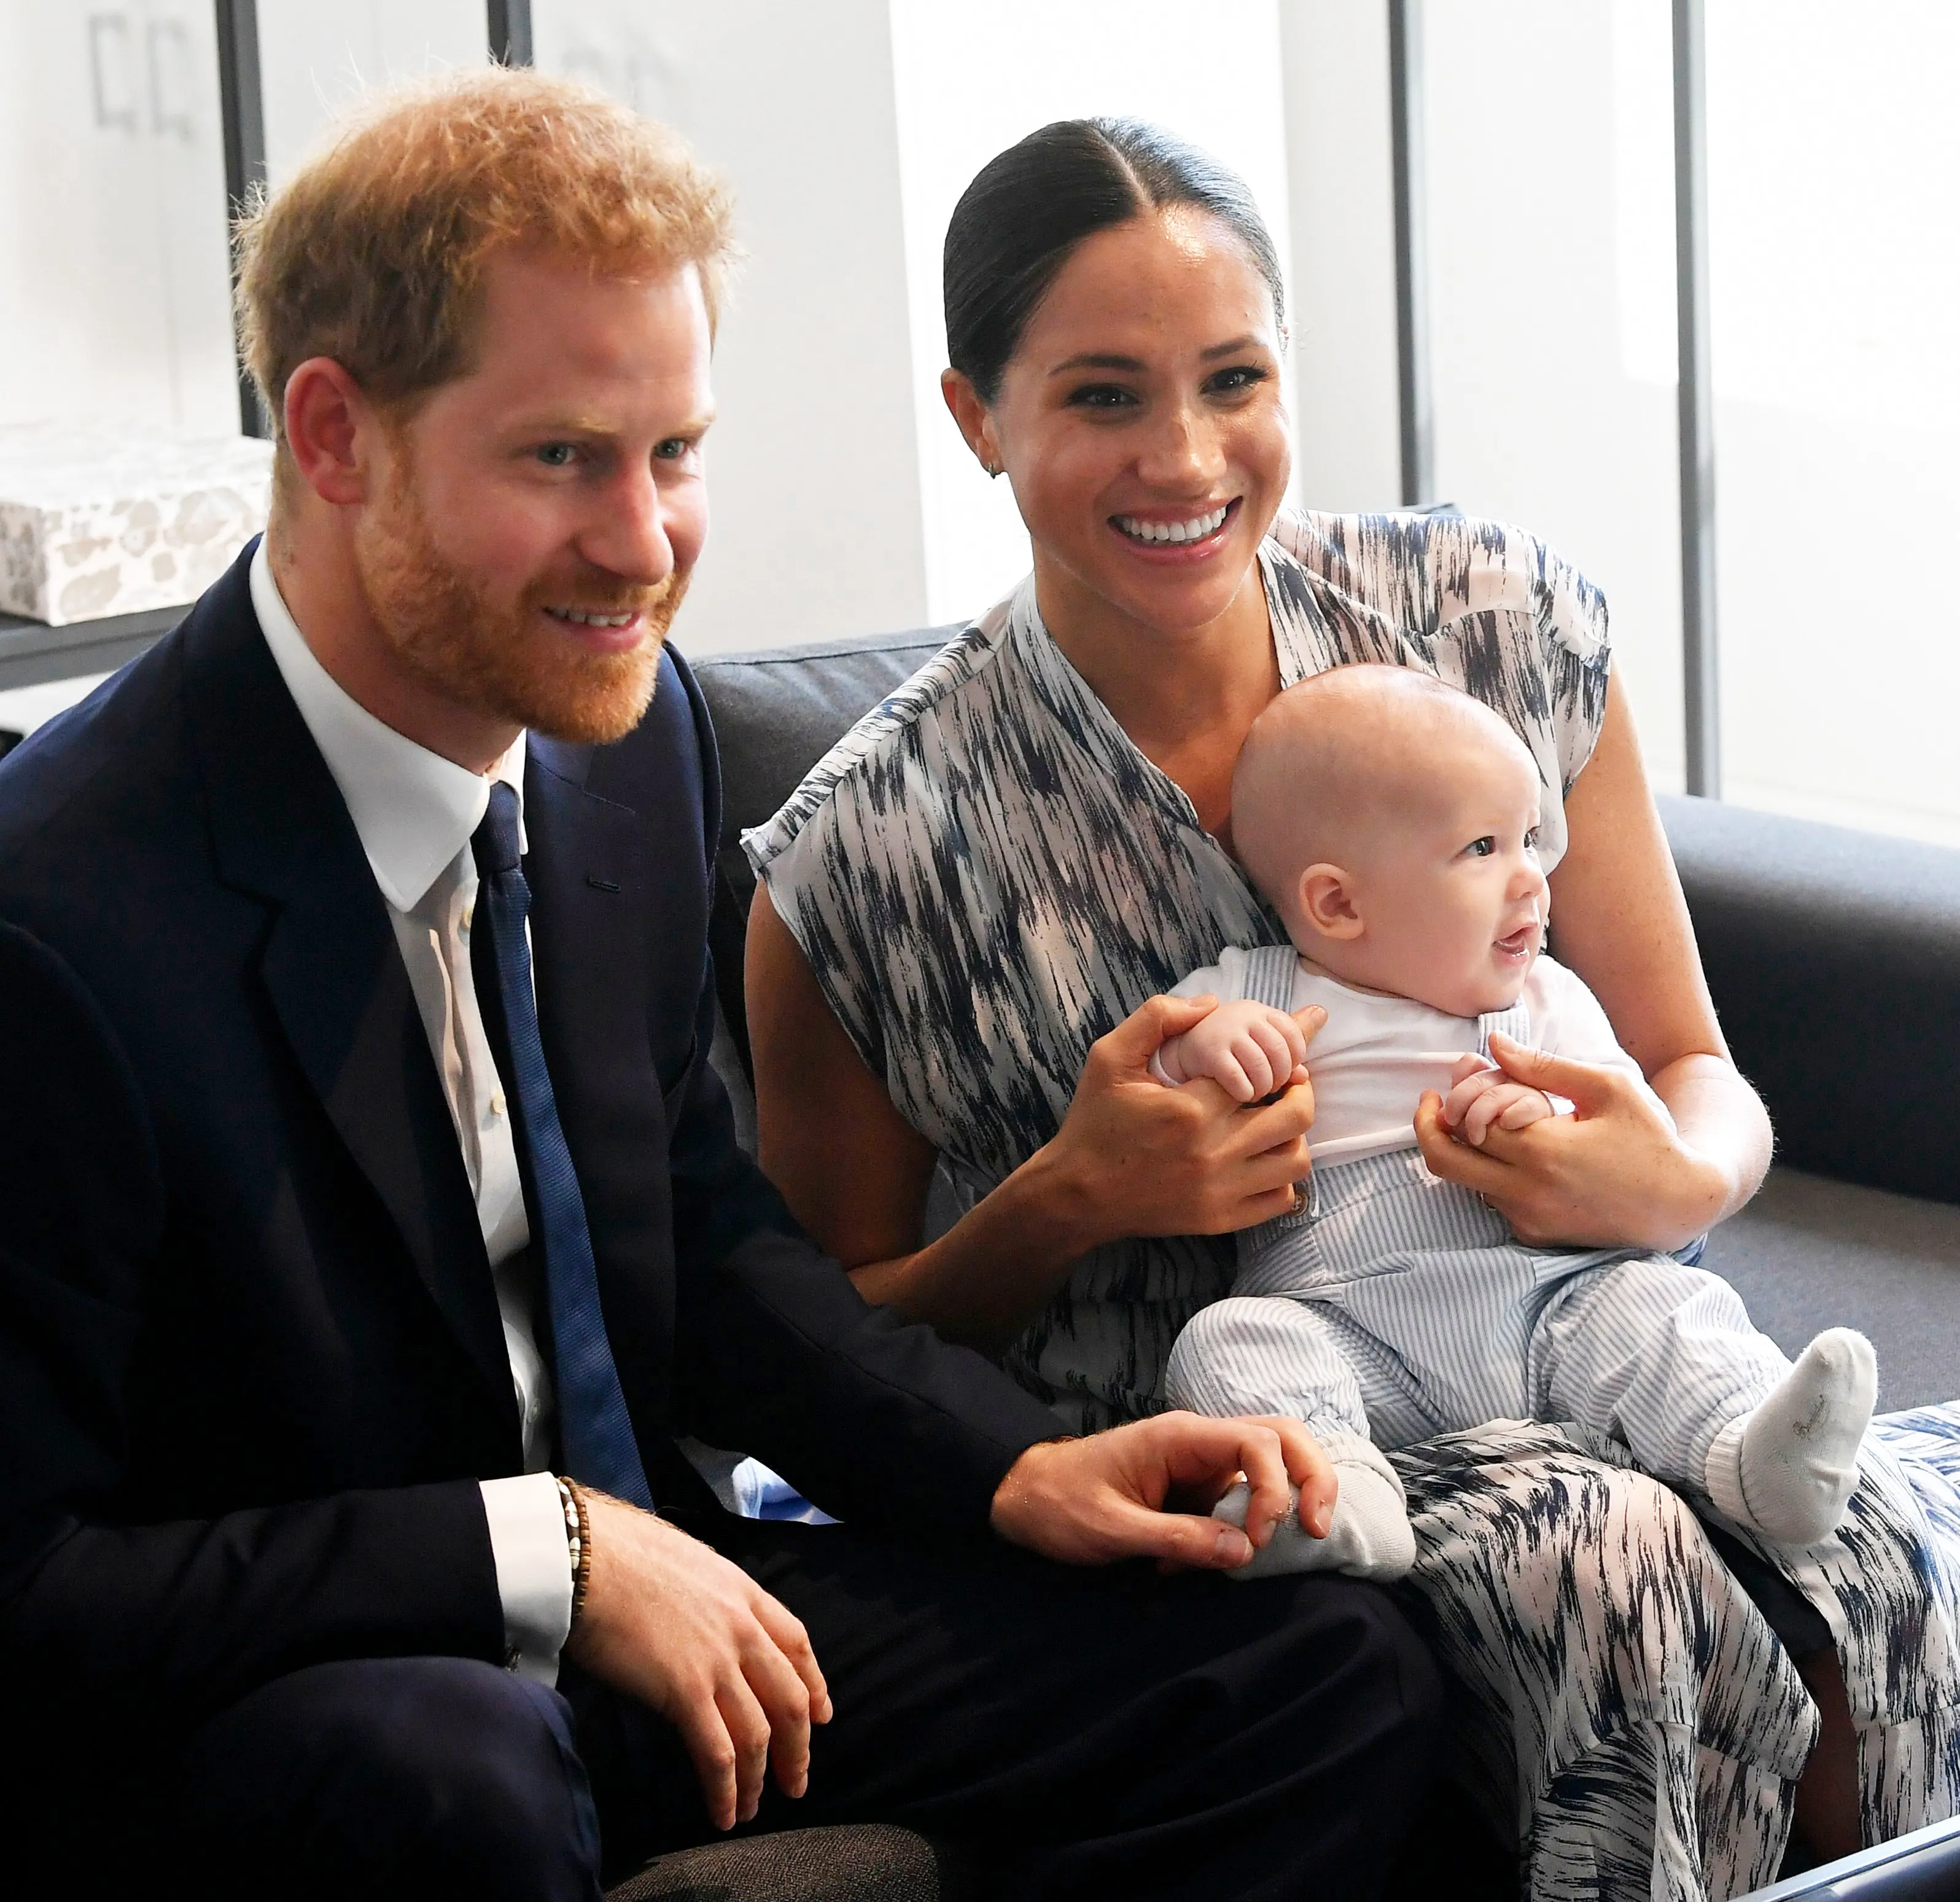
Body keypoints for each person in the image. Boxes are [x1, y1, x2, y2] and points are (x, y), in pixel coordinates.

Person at [0, 72, 1446, 1901]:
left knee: (1313, 1670)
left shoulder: (621, 743)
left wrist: (1012, 1472)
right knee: (455, 1780)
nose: (645, 545)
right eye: (562, 458)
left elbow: (697, 1235)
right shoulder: (56, 915)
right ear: (335, 433)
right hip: (315, 1693)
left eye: (673, 451)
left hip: (655, 1590)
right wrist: (547, 1550)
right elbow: (30, 1581)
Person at [744, 117, 1960, 1895]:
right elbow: (805, 1358)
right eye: (1101, 396)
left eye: (1233, 378)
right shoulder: (863, 853)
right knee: (1606, 1556)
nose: (1185, 456)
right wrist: (1071, 1199)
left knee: (1881, 1544)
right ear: (975, 416)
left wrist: (1676, 1178)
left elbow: (1693, 1065)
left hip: (1589, 1323)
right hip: (1251, 1449)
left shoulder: (1494, 626)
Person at [1151, 665, 1876, 1580]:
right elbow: (1146, 1082)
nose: (1532, 877)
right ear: (1338, 903)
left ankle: (1752, 1456)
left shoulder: (1547, 1001)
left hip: (1556, 1308)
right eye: (1483, 847)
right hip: (1350, 1330)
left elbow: (1631, 1134)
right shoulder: (1253, 992)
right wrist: (1206, 1049)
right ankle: (1336, 1494)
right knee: (1228, 1342)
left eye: (1531, 838)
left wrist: (1547, 1119)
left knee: (1666, 1309)